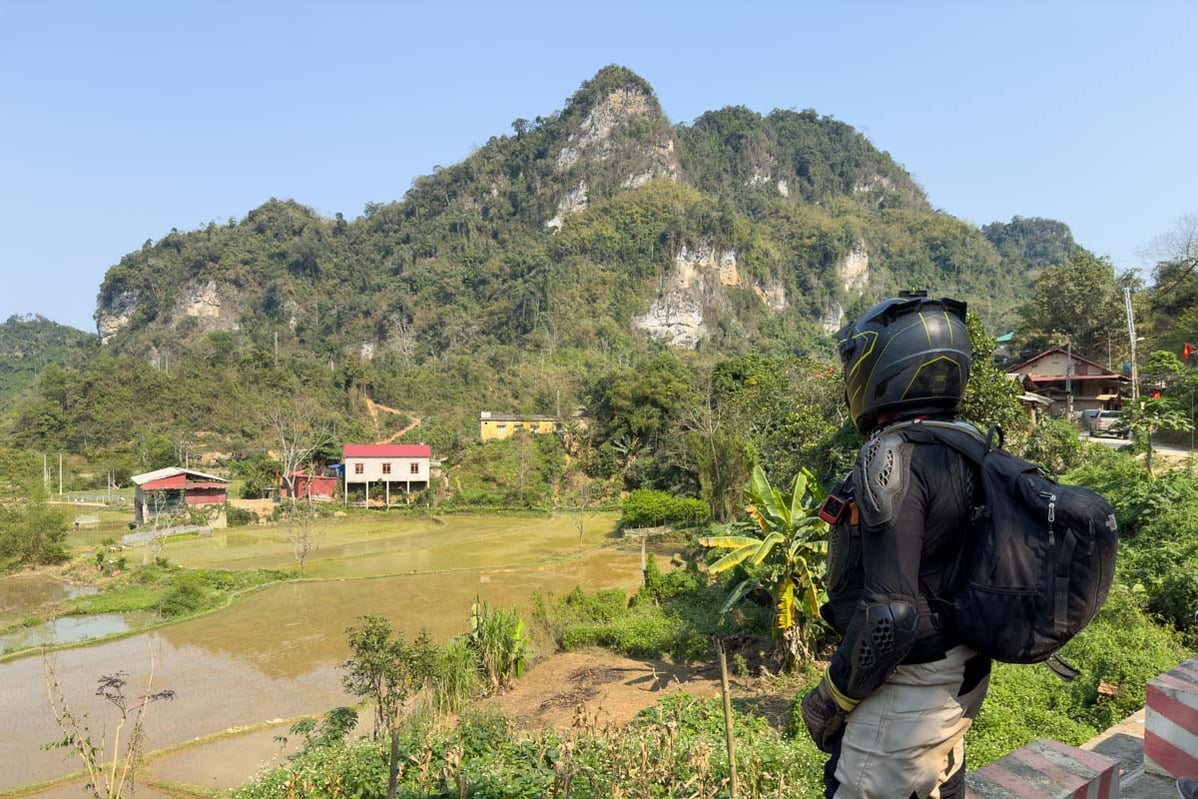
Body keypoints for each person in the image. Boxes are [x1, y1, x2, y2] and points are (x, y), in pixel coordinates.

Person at [802, 294, 991, 798]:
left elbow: (891, 618)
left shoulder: (892, 454)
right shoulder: (967, 443)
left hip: (910, 688)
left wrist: (834, 694)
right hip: (958, 674)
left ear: (880, 366)